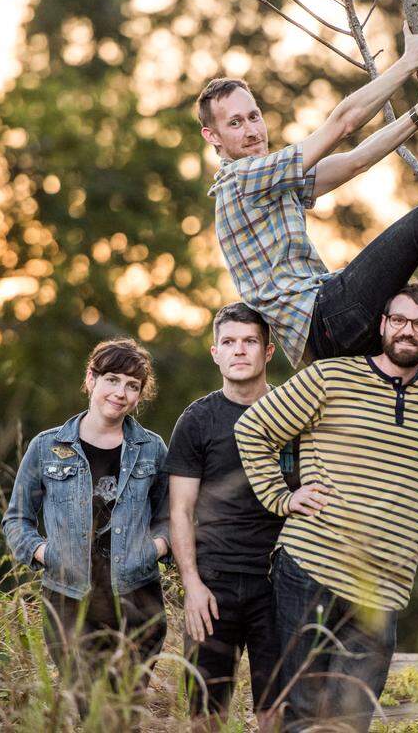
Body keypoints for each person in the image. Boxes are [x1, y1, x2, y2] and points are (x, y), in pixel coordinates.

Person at [196, 24, 418, 562]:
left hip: (332, 338)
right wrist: (407, 64)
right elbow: (341, 122)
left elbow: (351, 162)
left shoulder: (272, 181)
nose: (250, 129)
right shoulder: (243, 181)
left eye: (254, 115)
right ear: (213, 138)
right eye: (234, 123)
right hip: (324, 319)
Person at [235, 284, 418, 730]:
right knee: (302, 715)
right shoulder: (330, 377)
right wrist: (282, 498)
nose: (408, 331)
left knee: (351, 720)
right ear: (382, 324)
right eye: (399, 320)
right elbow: (253, 429)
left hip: (383, 589)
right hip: (311, 568)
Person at [2, 337, 170, 697]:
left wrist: (155, 548)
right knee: (89, 708)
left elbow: (172, 515)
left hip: (138, 598)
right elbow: (16, 519)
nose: (121, 393)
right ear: (91, 379)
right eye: (112, 379)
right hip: (68, 598)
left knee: (126, 710)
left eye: (132, 386)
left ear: (140, 395)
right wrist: (47, 555)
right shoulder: (46, 447)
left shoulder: (152, 449)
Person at [165, 303, 297, 731]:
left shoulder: (293, 414)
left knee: (275, 711)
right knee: (207, 713)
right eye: (229, 342)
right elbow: (180, 510)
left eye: (249, 342)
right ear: (215, 352)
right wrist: (192, 586)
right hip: (214, 582)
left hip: (278, 583)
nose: (239, 351)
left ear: (268, 351)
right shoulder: (196, 420)